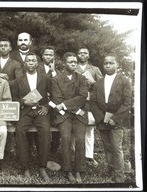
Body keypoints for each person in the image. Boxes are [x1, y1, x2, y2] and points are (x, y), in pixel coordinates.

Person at [90, 54, 131, 183]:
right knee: (107, 147)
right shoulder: (98, 83)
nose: (108, 66)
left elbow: (127, 102)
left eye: (111, 63)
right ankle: (111, 170)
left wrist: (115, 118)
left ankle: (119, 177)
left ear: (117, 64)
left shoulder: (124, 81)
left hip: (117, 120)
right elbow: (93, 102)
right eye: (106, 63)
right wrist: (101, 118)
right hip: (102, 119)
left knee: (116, 147)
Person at [12, 52, 52, 181]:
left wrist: (47, 107)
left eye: (33, 60)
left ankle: (42, 166)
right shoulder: (19, 80)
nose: (30, 63)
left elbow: (55, 96)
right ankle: (25, 167)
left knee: (45, 131)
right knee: (19, 131)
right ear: (25, 63)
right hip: (25, 112)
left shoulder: (45, 78)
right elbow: (13, 99)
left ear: (37, 63)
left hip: (41, 111)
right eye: (28, 60)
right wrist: (24, 102)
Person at [51, 52, 88, 183]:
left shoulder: (82, 78)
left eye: (75, 62)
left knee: (80, 139)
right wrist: (67, 105)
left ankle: (79, 169)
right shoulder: (56, 79)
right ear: (64, 63)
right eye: (70, 62)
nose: (74, 64)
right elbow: (56, 99)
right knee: (65, 138)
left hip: (79, 115)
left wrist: (65, 104)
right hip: (64, 116)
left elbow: (82, 97)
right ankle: (67, 170)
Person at [0, 38, 23, 155]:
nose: (3, 48)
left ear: (10, 48)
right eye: (1, 46)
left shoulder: (15, 64)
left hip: (10, 96)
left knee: (12, 121)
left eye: (6, 46)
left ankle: (14, 148)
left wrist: (5, 82)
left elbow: (19, 80)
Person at [76, 46, 103, 165]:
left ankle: (89, 156)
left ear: (88, 55)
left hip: (90, 102)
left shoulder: (95, 69)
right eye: (80, 53)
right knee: (74, 129)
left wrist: (94, 83)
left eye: (85, 53)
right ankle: (74, 154)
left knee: (89, 128)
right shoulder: (72, 66)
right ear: (77, 55)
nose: (82, 54)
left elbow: (102, 86)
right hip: (76, 102)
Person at [38, 46, 62, 156]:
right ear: (42, 56)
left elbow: (60, 86)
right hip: (40, 102)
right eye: (46, 54)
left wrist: (53, 72)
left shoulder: (57, 71)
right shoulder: (37, 68)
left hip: (53, 103)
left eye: (50, 55)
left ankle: (54, 148)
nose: (48, 57)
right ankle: (40, 149)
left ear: (54, 57)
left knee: (59, 118)